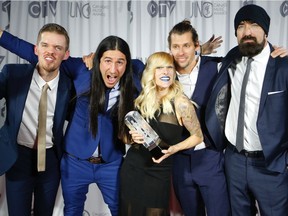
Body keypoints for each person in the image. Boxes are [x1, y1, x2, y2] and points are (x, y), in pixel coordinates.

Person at [0, 28, 144, 216]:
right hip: (75, 162)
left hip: (111, 161)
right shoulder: (80, 69)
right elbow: (38, 53)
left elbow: (156, 66)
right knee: (72, 211)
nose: (113, 69)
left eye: (120, 62)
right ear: (98, 59)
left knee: (123, 210)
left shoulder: (134, 75)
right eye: (107, 60)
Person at [206, 4, 288, 216]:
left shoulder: (283, 64)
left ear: (266, 31)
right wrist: (200, 50)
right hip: (233, 159)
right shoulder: (232, 57)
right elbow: (192, 63)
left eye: (254, 25)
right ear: (236, 33)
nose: (247, 32)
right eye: (241, 26)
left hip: (270, 164)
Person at [0, 23, 73, 216]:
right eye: (45, 45)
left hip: (51, 160)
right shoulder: (12, 74)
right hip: (17, 157)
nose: (51, 52)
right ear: (36, 49)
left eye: (58, 48)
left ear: (66, 54)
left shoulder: (70, 87)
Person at [120, 51, 203, 216]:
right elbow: (124, 137)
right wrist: (132, 138)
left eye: (169, 67)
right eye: (160, 68)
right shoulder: (141, 101)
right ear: (151, 72)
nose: (165, 72)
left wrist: (174, 148)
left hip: (159, 172)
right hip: (133, 168)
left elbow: (198, 136)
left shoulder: (182, 103)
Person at [167, 20, 230, 216]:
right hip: (180, 161)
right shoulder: (163, 73)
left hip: (211, 157)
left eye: (186, 45)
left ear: (196, 46)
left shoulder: (218, 67)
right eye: (175, 47)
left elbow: (247, 56)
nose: (181, 52)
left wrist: (275, 53)